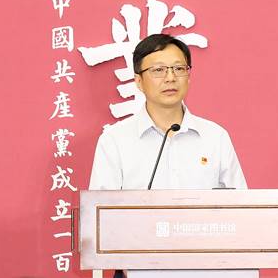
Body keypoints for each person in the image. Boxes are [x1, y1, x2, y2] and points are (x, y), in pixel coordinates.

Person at [88, 33, 247, 190]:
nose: (170, 78)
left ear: (188, 77)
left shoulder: (215, 137)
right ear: (139, 81)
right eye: (158, 70)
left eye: (179, 69)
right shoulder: (114, 140)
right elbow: (99, 204)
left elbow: (240, 203)